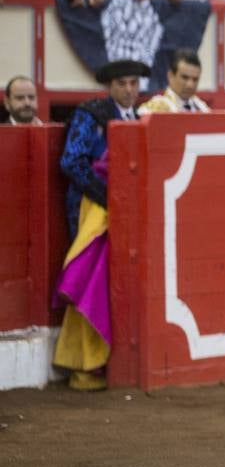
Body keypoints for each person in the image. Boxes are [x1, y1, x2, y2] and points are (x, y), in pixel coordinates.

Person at [54, 59, 151, 391]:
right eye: (122, 84)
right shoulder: (91, 114)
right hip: (92, 211)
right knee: (91, 279)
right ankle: (83, 363)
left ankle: (107, 360)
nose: (129, 90)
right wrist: (111, 198)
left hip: (122, 213)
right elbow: (72, 162)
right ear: (109, 86)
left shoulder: (139, 117)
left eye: (134, 84)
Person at [141, 50, 209, 113]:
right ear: (170, 75)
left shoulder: (201, 107)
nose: (190, 85)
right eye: (184, 77)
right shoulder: (155, 108)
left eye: (195, 79)